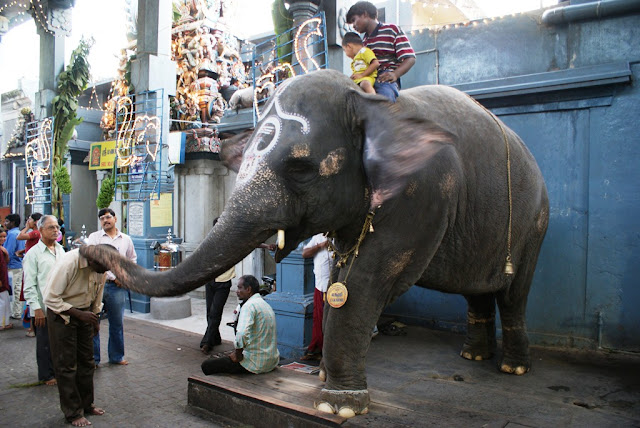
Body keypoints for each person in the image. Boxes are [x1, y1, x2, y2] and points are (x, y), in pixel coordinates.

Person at [43, 245, 115, 427]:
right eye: (103, 268)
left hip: (86, 313)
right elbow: (50, 297)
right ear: (92, 261)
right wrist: (78, 314)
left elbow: (97, 295)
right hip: (62, 314)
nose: (105, 272)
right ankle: (73, 412)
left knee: (87, 362)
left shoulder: (101, 265)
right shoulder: (69, 263)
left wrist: (94, 317)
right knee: (66, 365)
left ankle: (86, 404)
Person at [86, 208, 137, 367]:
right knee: (94, 322)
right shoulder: (94, 238)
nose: (105, 220)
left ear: (115, 219)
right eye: (102, 218)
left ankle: (117, 356)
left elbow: (132, 260)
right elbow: (89, 259)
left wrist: (125, 278)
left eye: (108, 217)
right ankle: (94, 359)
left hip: (117, 287)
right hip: (97, 286)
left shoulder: (126, 239)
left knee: (117, 323)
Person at [201, 275, 279, 375]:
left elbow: (241, 333)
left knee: (206, 365)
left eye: (239, 288)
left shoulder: (248, 306)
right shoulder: (265, 305)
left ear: (248, 289)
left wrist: (237, 354)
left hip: (255, 364)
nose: (237, 291)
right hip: (271, 362)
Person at [22, 215, 64, 386]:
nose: (55, 230)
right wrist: (36, 308)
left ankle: (58, 370)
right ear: (40, 231)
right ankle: (46, 375)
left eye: (57, 227)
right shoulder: (33, 254)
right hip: (42, 306)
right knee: (45, 342)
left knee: (59, 342)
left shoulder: (61, 250)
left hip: (60, 305)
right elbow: (29, 284)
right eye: (51, 227)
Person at [347, 1, 416, 102]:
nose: (353, 25)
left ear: (365, 14)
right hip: (367, 75)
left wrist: (395, 74)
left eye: (354, 20)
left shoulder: (391, 30)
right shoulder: (364, 41)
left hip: (384, 76)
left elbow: (410, 58)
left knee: (384, 100)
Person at [301, 234, 331, 360]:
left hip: (335, 288)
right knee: (318, 319)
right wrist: (320, 246)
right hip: (321, 286)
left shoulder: (339, 238)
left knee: (330, 320)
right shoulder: (317, 238)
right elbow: (305, 253)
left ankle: (328, 351)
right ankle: (316, 349)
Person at [17, 212, 43, 337]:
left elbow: (20, 236)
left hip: (32, 267)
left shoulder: (36, 232)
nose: (28, 221)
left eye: (30, 219)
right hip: (30, 262)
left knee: (31, 294)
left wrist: (27, 227)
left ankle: (32, 328)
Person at [4, 213, 26, 320]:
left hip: (12, 266)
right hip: (19, 264)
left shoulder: (12, 234)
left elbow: (8, 252)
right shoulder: (20, 233)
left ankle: (15, 312)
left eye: (7, 221)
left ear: (12, 223)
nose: (5, 223)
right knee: (17, 289)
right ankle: (17, 311)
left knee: (13, 290)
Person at [0, 227, 12, 330]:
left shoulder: (2, 249)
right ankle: (3, 323)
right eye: (1, 237)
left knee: (5, 301)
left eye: (4, 236)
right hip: (1, 281)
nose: (3, 239)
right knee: (3, 302)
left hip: (3, 279)